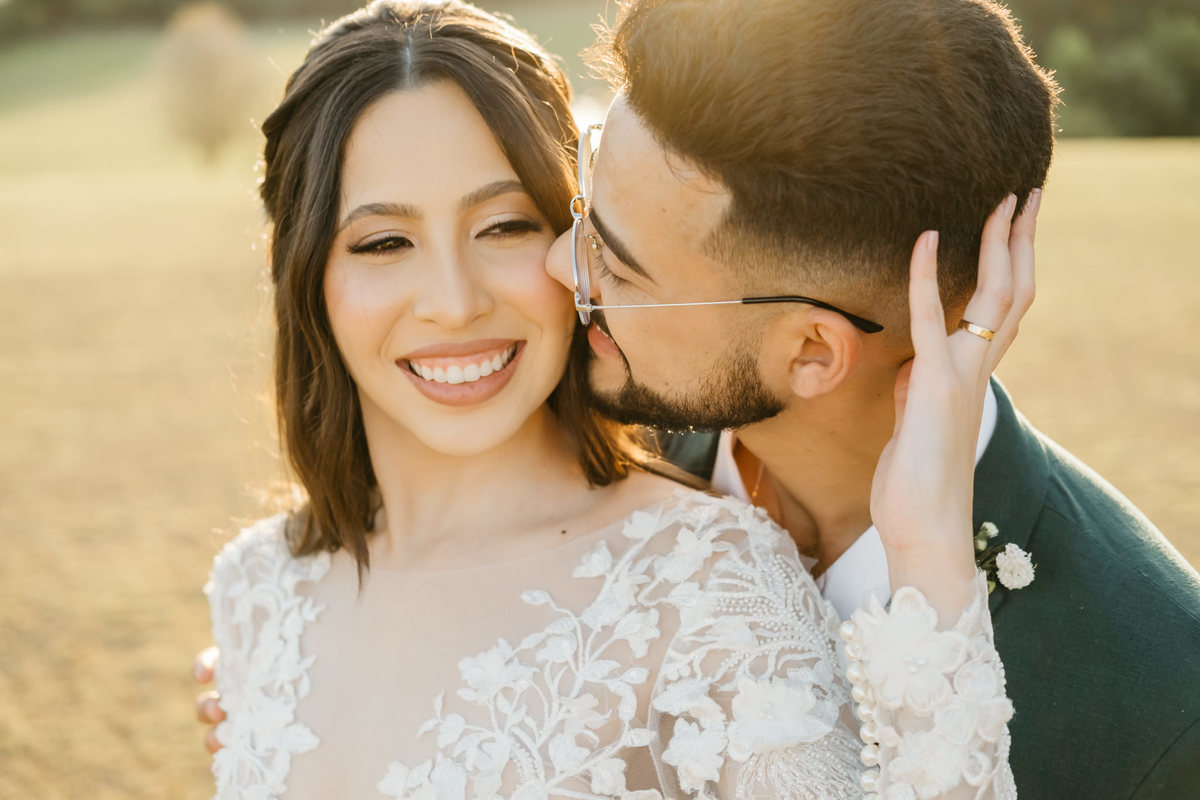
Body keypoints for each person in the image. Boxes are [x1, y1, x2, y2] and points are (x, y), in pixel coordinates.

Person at [197, 0, 1037, 798]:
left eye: (506, 226)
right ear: (305, 273)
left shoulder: (707, 585)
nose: (453, 303)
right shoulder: (257, 589)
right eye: (384, 242)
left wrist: (927, 550)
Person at [533, 0, 1200, 797]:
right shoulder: (566, 454)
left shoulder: (1159, 708)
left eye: (618, 265)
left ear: (814, 353)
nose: (557, 265)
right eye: (583, 212)